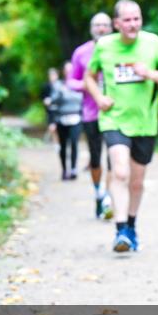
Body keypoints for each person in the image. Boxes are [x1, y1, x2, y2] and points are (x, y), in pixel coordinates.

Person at [84, 0, 158, 253]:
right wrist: (98, 98)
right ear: (116, 23)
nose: (133, 24)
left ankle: (130, 225)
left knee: (136, 182)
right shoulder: (104, 46)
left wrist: (150, 73)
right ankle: (120, 231)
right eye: (127, 20)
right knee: (120, 172)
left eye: (136, 18)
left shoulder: (153, 43)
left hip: (144, 123)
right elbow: (89, 76)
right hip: (114, 119)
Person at [69, 12, 115, 219]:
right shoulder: (81, 52)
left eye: (105, 25)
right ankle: (98, 193)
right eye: (97, 25)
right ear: (91, 28)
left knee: (115, 158)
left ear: (112, 27)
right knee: (96, 160)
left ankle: (109, 198)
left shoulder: (119, 50)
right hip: (91, 114)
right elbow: (71, 81)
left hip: (116, 113)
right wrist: (88, 86)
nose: (101, 28)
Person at [50, 61, 84, 180]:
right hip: (61, 119)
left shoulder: (79, 84)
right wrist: (52, 122)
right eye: (67, 70)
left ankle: (74, 169)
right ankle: (65, 170)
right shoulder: (58, 85)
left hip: (76, 119)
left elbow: (82, 101)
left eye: (71, 70)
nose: (69, 72)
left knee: (74, 144)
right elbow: (53, 102)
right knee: (63, 146)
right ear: (63, 72)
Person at [40, 67, 61, 147]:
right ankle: (56, 142)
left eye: (54, 75)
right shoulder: (45, 86)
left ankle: (53, 139)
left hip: (59, 110)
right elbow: (43, 98)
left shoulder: (61, 85)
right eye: (51, 75)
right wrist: (46, 102)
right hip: (50, 110)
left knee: (56, 127)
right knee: (52, 127)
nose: (52, 77)